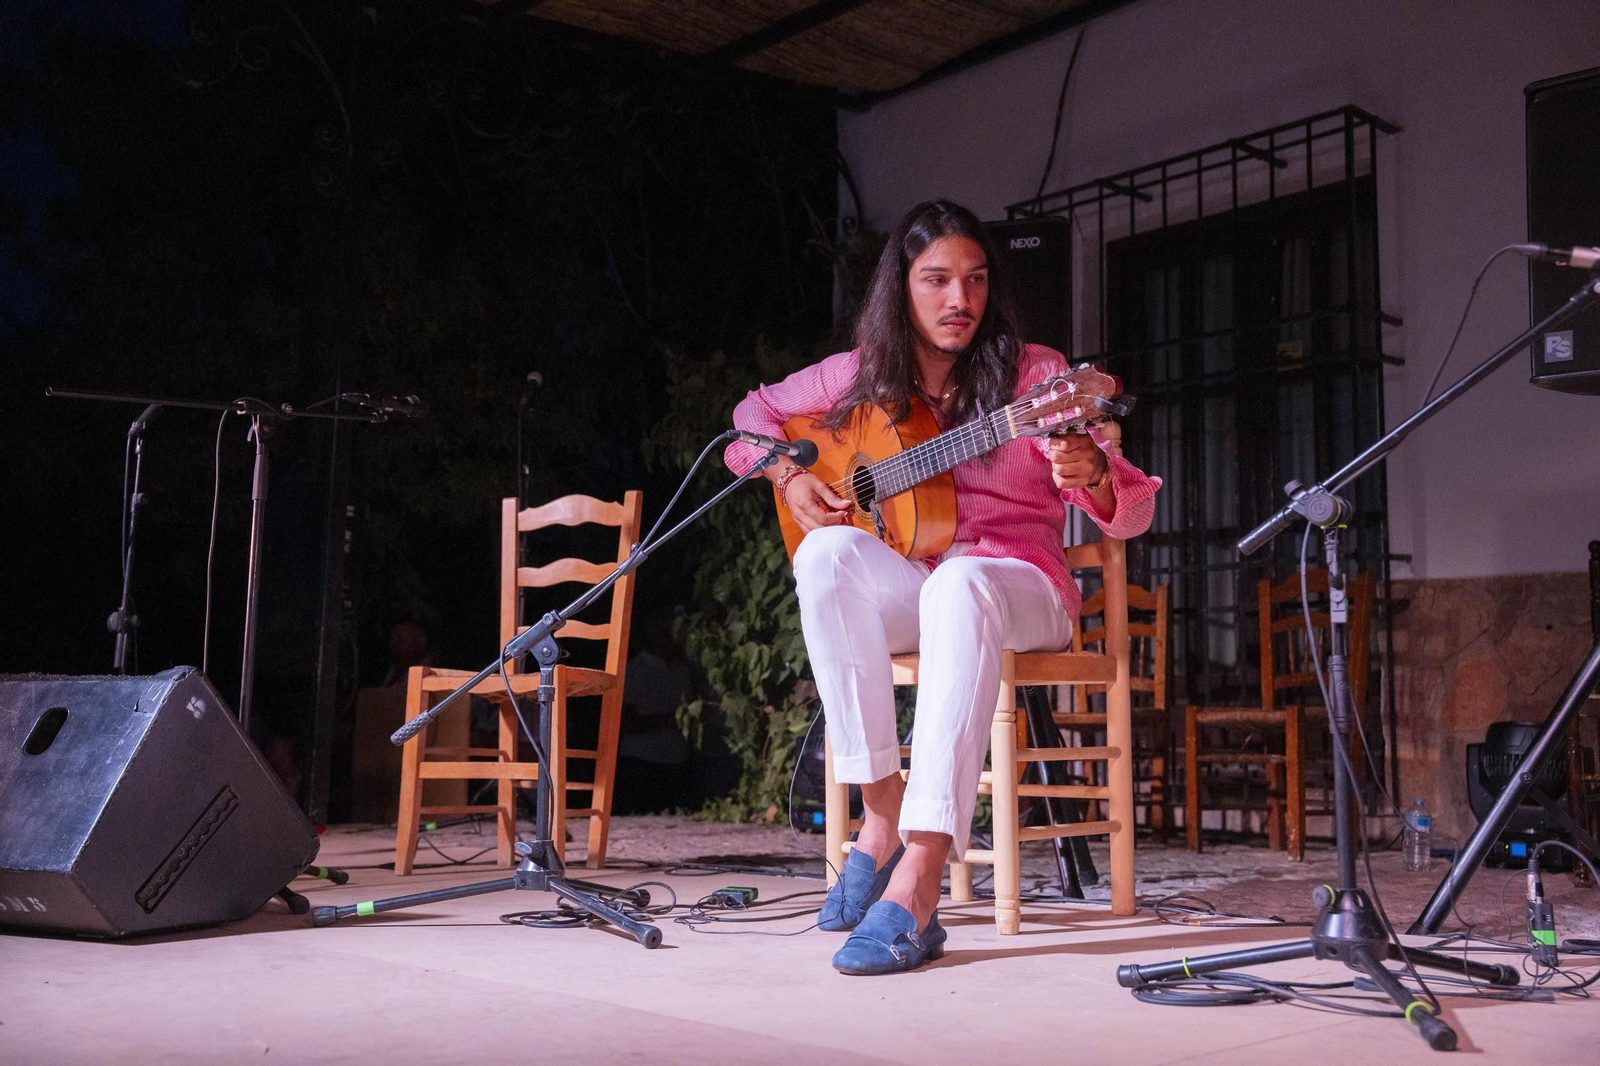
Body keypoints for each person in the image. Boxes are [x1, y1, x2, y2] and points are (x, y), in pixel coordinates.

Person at [724, 199, 1161, 974]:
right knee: (825, 557)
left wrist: (1095, 475)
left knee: (960, 581)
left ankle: (920, 877)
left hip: (1022, 589)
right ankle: (881, 813)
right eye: (937, 281)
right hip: (922, 586)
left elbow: (1131, 513)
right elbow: (750, 416)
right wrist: (789, 478)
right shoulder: (863, 374)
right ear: (901, 289)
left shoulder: (1039, 376)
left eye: (975, 280)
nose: (960, 300)